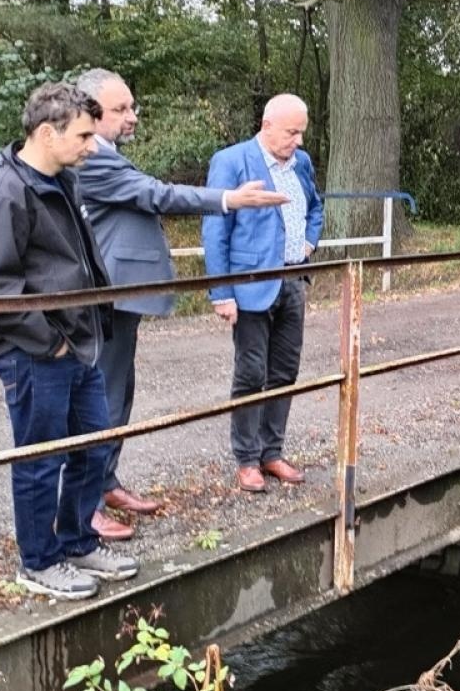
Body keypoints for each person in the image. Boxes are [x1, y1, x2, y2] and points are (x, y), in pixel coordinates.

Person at [74, 68, 289, 540]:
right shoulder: (92, 158)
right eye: (121, 109)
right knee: (103, 398)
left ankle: (105, 483)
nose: (133, 117)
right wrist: (228, 199)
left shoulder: (106, 154)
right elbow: (157, 194)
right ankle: (84, 507)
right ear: (88, 112)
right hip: (109, 295)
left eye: (132, 106)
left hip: (121, 296)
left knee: (119, 394)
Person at [0, 82, 137, 600]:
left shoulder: (63, 180)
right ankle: (38, 561)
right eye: (83, 135)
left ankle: (77, 540)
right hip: (37, 351)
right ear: (46, 132)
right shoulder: (7, 191)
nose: (92, 144)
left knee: (90, 446)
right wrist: (49, 341)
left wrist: (89, 324)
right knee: (41, 458)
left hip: (79, 340)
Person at [202, 93, 324, 494]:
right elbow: (215, 230)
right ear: (267, 125)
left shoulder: (300, 163)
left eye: (301, 132)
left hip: (293, 281)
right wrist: (221, 292)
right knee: (251, 373)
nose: (298, 141)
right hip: (252, 285)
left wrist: (309, 241)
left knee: (285, 372)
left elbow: (316, 208)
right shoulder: (232, 161)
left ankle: (272, 451)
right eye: (292, 132)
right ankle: (247, 459)